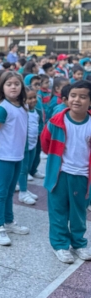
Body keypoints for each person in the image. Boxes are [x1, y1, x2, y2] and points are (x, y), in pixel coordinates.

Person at [41, 80, 91, 264]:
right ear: (67, 98)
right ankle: (60, 245)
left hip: (83, 176)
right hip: (59, 174)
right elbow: (45, 143)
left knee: (79, 212)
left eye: (83, 96)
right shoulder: (56, 121)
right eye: (73, 95)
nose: (77, 100)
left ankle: (78, 243)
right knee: (58, 210)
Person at [0, 71, 29, 246]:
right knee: (1, 192)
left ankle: (9, 221)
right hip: (3, 156)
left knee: (10, 191)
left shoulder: (23, 106)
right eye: (9, 84)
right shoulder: (2, 108)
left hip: (17, 155)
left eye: (16, 84)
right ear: (2, 87)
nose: (13, 87)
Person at [18, 86, 42, 205]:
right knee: (23, 170)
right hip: (24, 146)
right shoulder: (22, 112)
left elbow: (40, 124)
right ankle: (22, 193)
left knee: (27, 167)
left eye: (34, 97)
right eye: (29, 98)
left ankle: (24, 188)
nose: (33, 100)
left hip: (33, 144)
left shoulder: (37, 111)